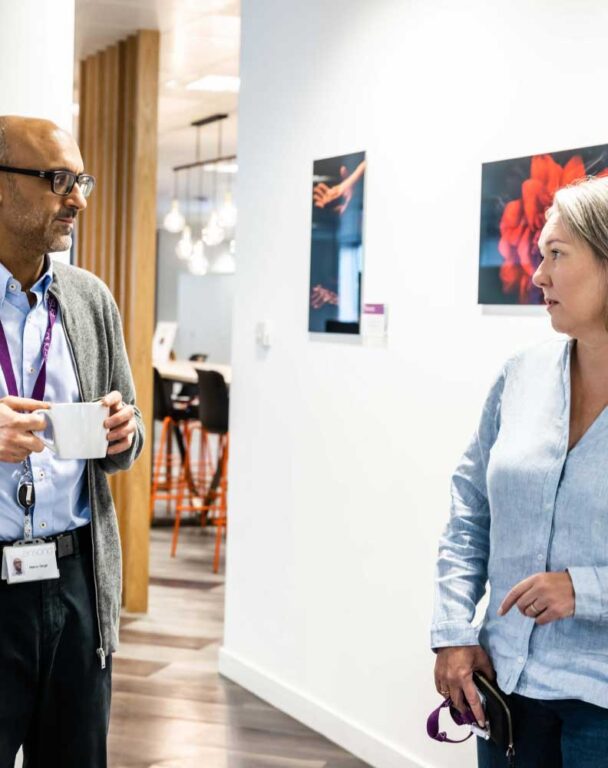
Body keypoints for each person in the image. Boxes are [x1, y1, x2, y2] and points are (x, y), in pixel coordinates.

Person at [431, 175, 608, 767]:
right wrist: (454, 630)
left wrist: (585, 589)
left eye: (557, 255)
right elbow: (469, 512)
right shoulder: (521, 375)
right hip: (507, 687)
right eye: (539, 256)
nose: (538, 276)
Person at [0, 115, 144, 767]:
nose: (78, 199)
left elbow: (128, 433)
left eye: (79, 180)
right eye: (57, 179)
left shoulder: (88, 299)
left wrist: (124, 432)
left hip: (75, 578)